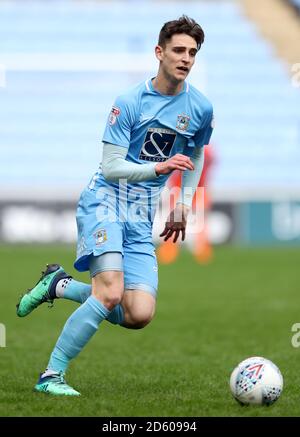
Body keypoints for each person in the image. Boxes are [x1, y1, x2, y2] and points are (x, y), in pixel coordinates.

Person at [16, 15, 214, 396]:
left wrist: (184, 203)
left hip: (142, 214)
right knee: (108, 292)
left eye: (192, 52)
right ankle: (51, 375)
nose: (186, 58)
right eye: (178, 50)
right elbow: (111, 166)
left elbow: (197, 153)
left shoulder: (200, 108)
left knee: (139, 313)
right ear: (159, 52)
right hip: (105, 201)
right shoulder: (129, 102)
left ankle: (57, 285)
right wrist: (159, 166)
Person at [157, 143, 215, 264]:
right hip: (182, 189)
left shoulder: (184, 148)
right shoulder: (204, 150)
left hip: (196, 189)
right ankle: (170, 250)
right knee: (176, 220)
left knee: (200, 222)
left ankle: (201, 251)